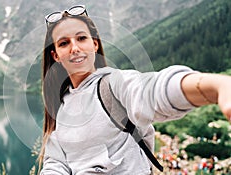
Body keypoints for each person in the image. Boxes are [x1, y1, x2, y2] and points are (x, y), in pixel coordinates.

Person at [39, 5, 231, 175]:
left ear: (94, 44)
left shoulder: (114, 84)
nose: (74, 48)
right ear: (56, 55)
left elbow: (152, 91)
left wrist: (217, 86)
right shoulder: (61, 106)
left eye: (81, 38)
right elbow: (56, 163)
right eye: (64, 43)